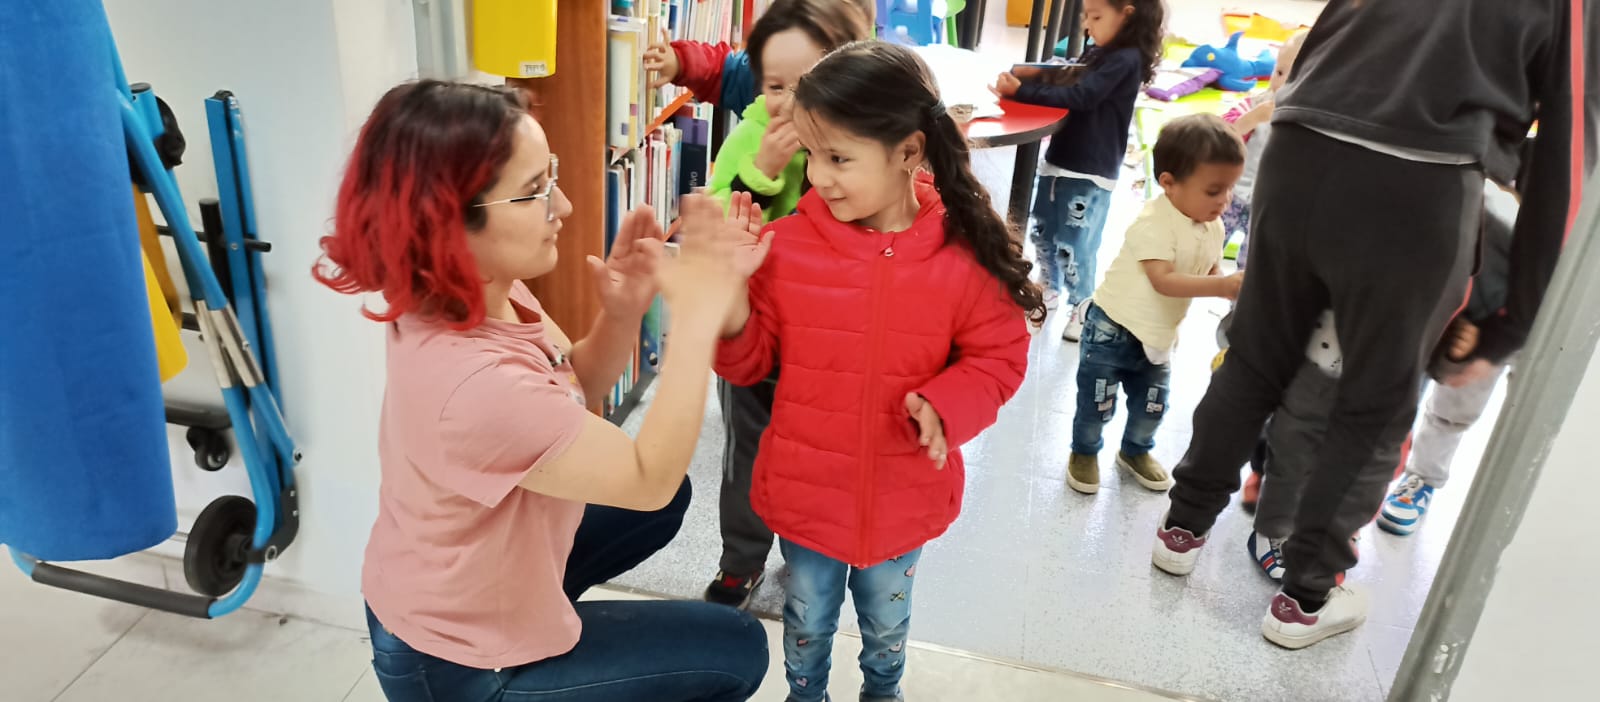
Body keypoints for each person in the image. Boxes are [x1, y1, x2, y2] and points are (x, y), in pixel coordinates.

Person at [312, 80, 768, 701]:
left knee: (661, 505)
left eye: (548, 177)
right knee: (735, 648)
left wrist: (623, 310)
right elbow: (647, 471)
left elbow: (574, 387)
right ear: (447, 225)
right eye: (533, 193)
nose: (566, 207)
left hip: (444, 583)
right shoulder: (475, 384)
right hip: (455, 666)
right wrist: (696, 320)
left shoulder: (483, 290)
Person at [1154, 0, 1583, 651]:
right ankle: (1304, 601)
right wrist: (1510, 323)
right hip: (1420, 180)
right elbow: (1569, 157)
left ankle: (1180, 532)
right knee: (1374, 404)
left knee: (1255, 358)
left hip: (1299, 147)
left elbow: (1331, 32)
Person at [716, 41, 1040, 702]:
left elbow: (998, 357)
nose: (818, 177)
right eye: (811, 155)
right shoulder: (786, 249)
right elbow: (746, 364)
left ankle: (881, 694)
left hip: (904, 499)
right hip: (807, 496)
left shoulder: (963, 252)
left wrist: (948, 405)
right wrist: (730, 296)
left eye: (838, 158)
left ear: (909, 151)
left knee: (887, 626)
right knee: (805, 622)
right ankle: (806, 697)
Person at [698, 0, 872, 609]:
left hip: (834, 343)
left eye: (809, 82)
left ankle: (809, 555)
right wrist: (759, 174)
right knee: (747, 450)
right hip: (757, 336)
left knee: (820, 458)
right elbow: (710, 221)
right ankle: (740, 561)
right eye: (775, 86)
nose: (789, 102)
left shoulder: (867, 144)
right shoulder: (751, 132)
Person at [1064, 114, 1245, 495]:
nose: (1224, 200)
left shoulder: (1212, 225)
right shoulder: (1154, 222)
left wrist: (1227, 287)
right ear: (1168, 183)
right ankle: (1084, 451)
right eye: (1213, 190)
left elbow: (1208, 266)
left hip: (1159, 336)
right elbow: (1163, 280)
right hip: (1112, 330)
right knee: (1098, 402)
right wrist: (1222, 284)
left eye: (1228, 189)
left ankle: (1135, 450)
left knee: (1152, 405)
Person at [992, 0, 1164, 341]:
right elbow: (1072, 78)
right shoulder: (1100, 52)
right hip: (1062, 160)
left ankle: (1083, 306)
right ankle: (1050, 289)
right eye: (1086, 15)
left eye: (1096, 16)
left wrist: (1023, 90)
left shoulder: (1125, 59)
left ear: (1127, 14)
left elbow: (1084, 95)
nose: (1087, 24)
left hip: (1089, 169)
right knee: (1043, 230)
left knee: (1075, 245)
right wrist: (1036, 75)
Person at [1379, 178, 1522, 536]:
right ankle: (1420, 476)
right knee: (1457, 375)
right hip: (1499, 258)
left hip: (1561, 284)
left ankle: (1513, 512)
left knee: (1536, 409)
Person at [1215, 30, 1306, 512]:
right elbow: (1216, 137)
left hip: (1273, 224)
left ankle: (1238, 330)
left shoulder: (1312, 125)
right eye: (1279, 71)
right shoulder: (1255, 104)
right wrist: (1252, 116)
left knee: (1255, 296)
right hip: (1235, 200)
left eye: (1298, 75)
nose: (1284, 83)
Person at [642, 0, 877, 116]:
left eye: (807, 87)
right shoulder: (756, 83)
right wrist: (680, 62)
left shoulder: (861, 127)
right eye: (775, 87)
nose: (788, 104)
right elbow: (722, 70)